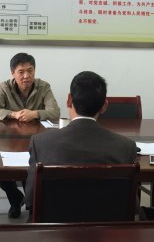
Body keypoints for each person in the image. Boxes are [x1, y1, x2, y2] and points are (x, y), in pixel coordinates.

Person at [23, 71, 138, 214]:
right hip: (106, 226)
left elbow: (30, 199)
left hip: (54, 226)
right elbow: (131, 205)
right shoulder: (126, 147)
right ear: (104, 106)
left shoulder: (40, 142)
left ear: (69, 100)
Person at [0, 52, 60, 218]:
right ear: (12, 73)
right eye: (21, 72)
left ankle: (31, 204)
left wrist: (34, 114)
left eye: (30, 71)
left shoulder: (43, 87)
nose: (26, 76)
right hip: (10, 140)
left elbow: (55, 112)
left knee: (35, 167)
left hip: (37, 140)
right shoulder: (4, 87)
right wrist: (13, 114)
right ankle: (15, 198)